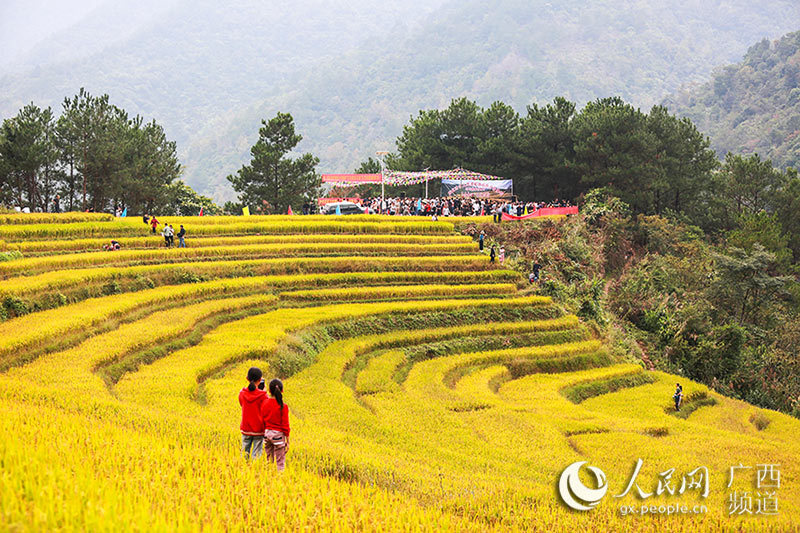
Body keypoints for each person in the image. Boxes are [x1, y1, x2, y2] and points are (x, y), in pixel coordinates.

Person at [261, 378, 290, 471]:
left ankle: (268, 476)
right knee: (280, 462)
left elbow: (263, 419)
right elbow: (285, 425)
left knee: (269, 459)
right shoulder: (283, 406)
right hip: (278, 436)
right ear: (282, 391)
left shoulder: (265, 403)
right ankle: (280, 479)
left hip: (267, 434)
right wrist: (288, 440)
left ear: (269, 390)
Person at [239, 367, 267, 458]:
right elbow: (266, 410)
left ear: (247, 378)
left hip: (246, 428)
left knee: (244, 454)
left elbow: (242, 404)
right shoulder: (263, 396)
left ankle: (242, 470)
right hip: (258, 429)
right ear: (260, 380)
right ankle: (254, 471)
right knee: (256, 455)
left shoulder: (242, 393)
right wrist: (263, 391)